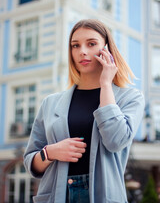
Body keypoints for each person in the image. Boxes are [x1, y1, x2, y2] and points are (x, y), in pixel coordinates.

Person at [24, 19, 145, 203]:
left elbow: (115, 141)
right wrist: (51, 152)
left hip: (102, 196)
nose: (82, 51)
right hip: (57, 195)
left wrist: (105, 84)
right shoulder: (50, 103)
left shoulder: (130, 98)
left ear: (107, 49)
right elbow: (31, 162)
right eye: (75, 45)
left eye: (91, 44)